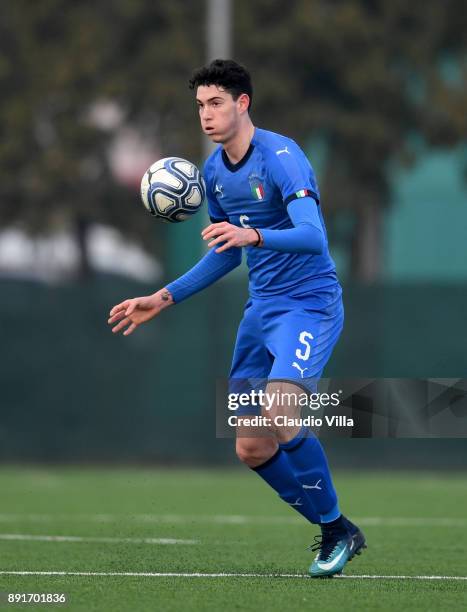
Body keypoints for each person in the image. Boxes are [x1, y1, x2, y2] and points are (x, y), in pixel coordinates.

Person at [108, 59, 366, 577]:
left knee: (281, 412)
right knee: (250, 446)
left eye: (216, 103)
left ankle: (334, 528)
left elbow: (315, 236)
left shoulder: (282, 158)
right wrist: (163, 297)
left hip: (308, 303)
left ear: (242, 103)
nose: (206, 115)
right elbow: (226, 251)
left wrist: (255, 235)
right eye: (200, 105)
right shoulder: (211, 173)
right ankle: (337, 526)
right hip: (262, 309)